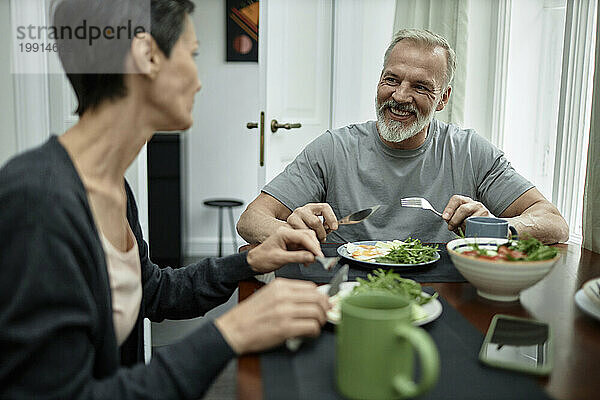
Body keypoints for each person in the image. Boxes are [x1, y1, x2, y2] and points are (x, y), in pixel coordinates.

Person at [0, 1, 330, 398]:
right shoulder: (38, 200)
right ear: (147, 56)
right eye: (191, 55)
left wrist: (248, 261)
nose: (199, 80)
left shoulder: (113, 187)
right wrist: (231, 331)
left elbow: (153, 292)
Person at [237, 29, 569, 245]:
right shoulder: (333, 148)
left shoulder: (471, 151)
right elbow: (252, 219)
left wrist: (497, 228)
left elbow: (553, 222)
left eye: (420, 86)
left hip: (444, 291)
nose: (400, 96)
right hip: (348, 290)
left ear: (443, 98)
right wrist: (293, 231)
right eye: (391, 79)